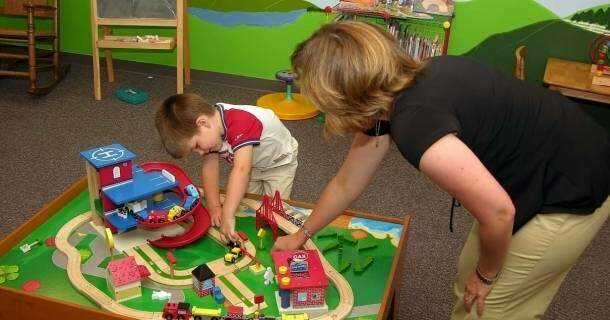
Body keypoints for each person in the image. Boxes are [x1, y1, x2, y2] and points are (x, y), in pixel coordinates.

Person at [271, 21, 610, 320]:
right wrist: (302, 234)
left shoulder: (416, 124)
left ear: (346, 97)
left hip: (570, 186)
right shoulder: (397, 88)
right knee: (470, 284)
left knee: (488, 308)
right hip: (533, 172)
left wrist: (488, 275)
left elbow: (499, 212)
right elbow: (346, 182)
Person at [156, 93, 299, 242]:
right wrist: (214, 207)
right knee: (250, 209)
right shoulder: (210, 131)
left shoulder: (240, 121)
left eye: (197, 146)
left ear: (203, 123)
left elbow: (241, 170)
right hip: (253, 165)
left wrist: (227, 215)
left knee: (277, 213)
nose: (200, 152)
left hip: (279, 164)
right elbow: (210, 168)